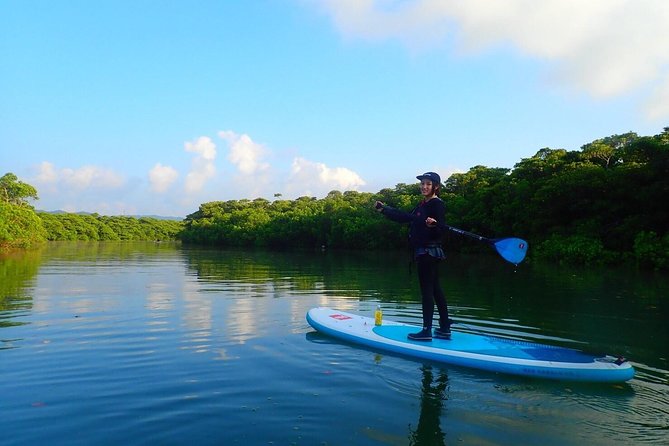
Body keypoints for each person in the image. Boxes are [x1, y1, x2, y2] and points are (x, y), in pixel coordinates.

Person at [375, 172, 451, 341]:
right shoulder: (422, 205)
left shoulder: (437, 205)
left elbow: (441, 231)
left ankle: (426, 331)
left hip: (428, 253)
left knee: (427, 292)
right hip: (426, 253)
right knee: (436, 289)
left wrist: (434, 226)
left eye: (428, 184)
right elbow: (405, 217)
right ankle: (445, 327)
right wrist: (384, 210)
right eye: (422, 183)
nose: (424, 186)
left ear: (436, 187)